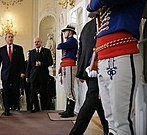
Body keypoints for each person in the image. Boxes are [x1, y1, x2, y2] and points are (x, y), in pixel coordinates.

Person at [87, 1, 145, 135]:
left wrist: (93, 5)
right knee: (110, 120)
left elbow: (93, 4)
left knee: (122, 121)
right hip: (104, 56)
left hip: (121, 53)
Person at [69, 18, 108, 135]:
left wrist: (81, 72)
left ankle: (107, 130)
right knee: (93, 97)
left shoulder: (86, 27)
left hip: (89, 69)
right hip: (98, 67)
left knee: (99, 102)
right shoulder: (102, 22)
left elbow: (80, 52)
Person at [0, 32, 25, 116]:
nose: (10, 38)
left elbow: (22, 61)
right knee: (5, 92)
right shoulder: (1, 50)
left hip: (16, 74)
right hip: (5, 74)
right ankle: (7, 109)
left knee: (15, 91)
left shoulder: (19, 48)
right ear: (5, 39)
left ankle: (14, 105)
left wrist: (22, 72)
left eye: (12, 37)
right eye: (9, 37)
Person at [26, 37, 53, 112]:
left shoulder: (47, 51)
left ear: (41, 42)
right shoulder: (31, 52)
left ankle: (44, 108)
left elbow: (50, 62)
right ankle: (36, 107)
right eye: (35, 42)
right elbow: (29, 65)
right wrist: (27, 76)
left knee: (43, 92)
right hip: (33, 75)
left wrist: (42, 64)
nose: (36, 43)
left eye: (38, 42)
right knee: (33, 92)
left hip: (43, 75)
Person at [57, 24, 78, 118]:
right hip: (65, 64)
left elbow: (59, 46)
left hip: (70, 65)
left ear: (70, 32)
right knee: (66, 88)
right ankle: (67, 109)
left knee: (69, 88)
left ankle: (70, 110)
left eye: (66, 31)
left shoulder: (72, 41)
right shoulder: (69, 41)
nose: (64, 33)